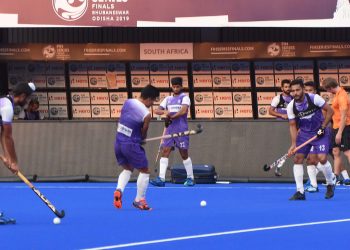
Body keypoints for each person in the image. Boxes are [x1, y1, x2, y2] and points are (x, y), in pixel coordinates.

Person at [287, 79, 336, 200]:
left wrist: (323, 127)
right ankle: (300, 192)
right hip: (304, 134)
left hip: (320, 132)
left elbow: (330, 111)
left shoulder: (314, 98)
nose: (295, 93)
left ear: (303, 89)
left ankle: (330, 183)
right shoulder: (291, 106)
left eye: (297, 90)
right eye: (292, 91)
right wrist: (293, 144)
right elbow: (293, 126)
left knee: (322, 158)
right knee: (298, 159)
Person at [113, 84, 160, 211]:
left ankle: (119, 190)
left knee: (128, 169)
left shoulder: (128, 102)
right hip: (130, 145)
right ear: (149, 98)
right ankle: (139, 200)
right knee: (145, 171)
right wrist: (142, 139)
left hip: (118, 142)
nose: (152, 104)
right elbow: (144, 131)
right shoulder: (146, 114)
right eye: (154, 100)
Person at [0, 82, 36, 223]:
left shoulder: (4, 102)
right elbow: (8, 137)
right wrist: (14, 162)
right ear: (22, 96)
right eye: (27, 99)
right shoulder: (7, 107)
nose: (27, 102)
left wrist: (7, 158)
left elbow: (2, 135)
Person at [150, 77, 194, 187]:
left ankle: (190, 178)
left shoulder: (185, 98)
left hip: (181, 129)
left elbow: (183, 111)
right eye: (173, 87)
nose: (175, 88)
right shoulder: (167, 99)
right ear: (171, 87)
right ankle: (161, 179)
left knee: (184, 154)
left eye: (177, 87)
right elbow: (156, 110)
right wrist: (165, 112)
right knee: (165, 151)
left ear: (181, 87)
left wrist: (171, 116)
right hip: (169, 129)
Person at [322, 77, 350, 186]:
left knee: (347, 152)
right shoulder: (337, 94)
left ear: (330, 87)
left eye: (327, 89)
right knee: (335, 151)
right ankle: (335, 177)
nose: (328, 92)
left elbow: (344, 117)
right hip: (336, 127)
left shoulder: (342, 96)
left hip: (344, 127)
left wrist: (339, 133)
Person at [269, 79, 292, 176]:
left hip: (293, 125)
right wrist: (281, 115)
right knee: (284, 148)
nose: (288, 89)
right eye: (285, 87)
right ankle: (278, 167)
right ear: (282, 88)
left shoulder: (294, 98)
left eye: (289, 87)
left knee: (291, 148)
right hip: (281, 126)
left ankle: (280, 167)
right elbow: (270, 111)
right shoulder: (277, 98)